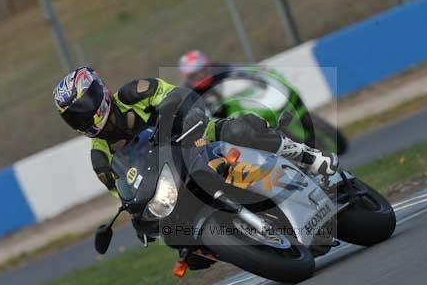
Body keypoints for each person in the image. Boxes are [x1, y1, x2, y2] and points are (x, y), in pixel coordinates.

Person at [53, 67, 338, 265]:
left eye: (84, 105)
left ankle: (309, 158)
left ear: (99, 91)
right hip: (169, 178)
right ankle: (224, 242)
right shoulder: (100, 157)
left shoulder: (134, 94)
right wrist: (139, 216)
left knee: (241, 131)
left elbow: (178, 97)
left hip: (196, 139)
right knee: (178, 238)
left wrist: (186, 117)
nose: (84, 117)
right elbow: (125, 194)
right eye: (74, 117)